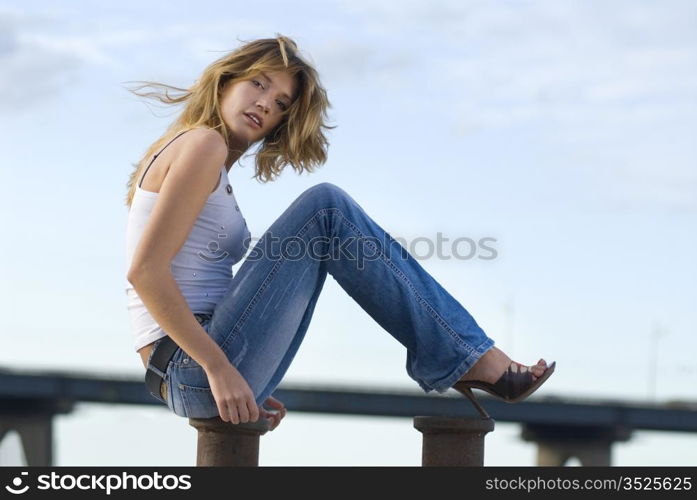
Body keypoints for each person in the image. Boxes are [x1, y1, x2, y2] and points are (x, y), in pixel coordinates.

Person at [123, 34, 555, 431]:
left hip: (188, 368)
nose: (265, 104)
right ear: (225, 82)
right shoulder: (202, 144)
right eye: (257, 84)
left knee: (324, 223)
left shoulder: (204, 157)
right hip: (190, 365)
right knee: (326, 209)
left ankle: (464, 354)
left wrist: (245, 368)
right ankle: (466, 355)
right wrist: (219, 370)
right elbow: (145, 273)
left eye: (281, 103)